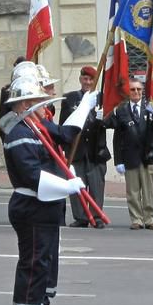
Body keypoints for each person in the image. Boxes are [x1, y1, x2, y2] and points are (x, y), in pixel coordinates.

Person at [1, 75, 86, 305]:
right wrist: (65, 184)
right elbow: (32, 175)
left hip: (44, 207)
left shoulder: (36, 129)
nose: (44, 107)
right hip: (32, 206)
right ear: (25, 104)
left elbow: (59, 143)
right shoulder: (20, 134)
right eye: (39, 102)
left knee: (43, 265)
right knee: (34, 266)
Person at [106, 77, 153, 230]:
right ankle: (136, 219)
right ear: (128, 92)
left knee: (149, 191)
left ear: (142, 91)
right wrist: (118, 160)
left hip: (148, 156)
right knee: (133, 191)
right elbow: (117, 137)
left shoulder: (149, 106)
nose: (136, 92)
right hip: (130, 157)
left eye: (138, 89)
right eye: (133, 89)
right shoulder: (122, 110)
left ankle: (150, 219)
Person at [60, 66, 109, 228]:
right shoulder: (70, 98)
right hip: (76, 150)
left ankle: (97, 216)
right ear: (80, 79)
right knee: (77, 185)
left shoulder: (102, 98)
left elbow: (112, 122)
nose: (88, 82)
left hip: (96, 150)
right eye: (85, 79)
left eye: (91, 80)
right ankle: (80, 217)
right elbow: (64, 126)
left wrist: (104, 119)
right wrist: (65, 151)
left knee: (96, 186)